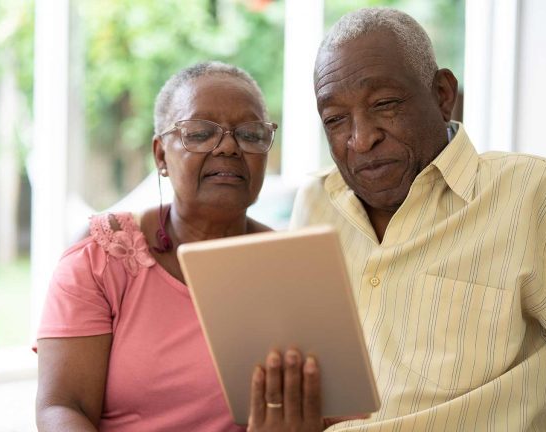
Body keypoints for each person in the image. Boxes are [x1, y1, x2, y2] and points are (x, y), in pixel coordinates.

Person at [291, 7, 546, 431]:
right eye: (335, 119)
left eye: (384, 104)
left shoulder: (542, 198)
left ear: (443, 94)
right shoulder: (315, 204)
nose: (361, 138)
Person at [34, 61, 327, 432]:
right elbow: (63, 406)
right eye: (200, 133)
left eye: (250, 134)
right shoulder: (102, 257)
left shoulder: (294, 268)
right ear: (160, 156)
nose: (229, 148)